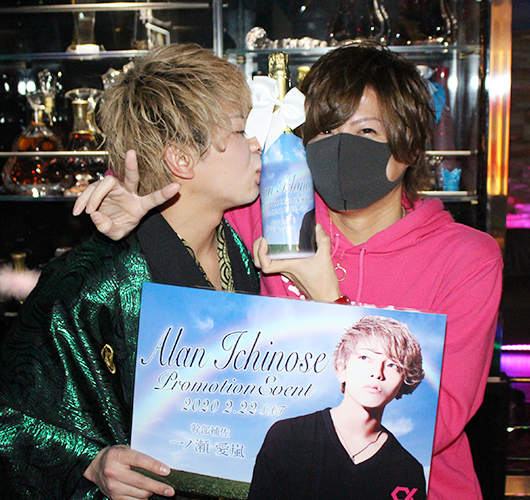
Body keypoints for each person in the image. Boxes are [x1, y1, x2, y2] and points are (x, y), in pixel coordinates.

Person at [77, 41, 503, 500]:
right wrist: (132, 198)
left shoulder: (466, 258)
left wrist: (328, 298)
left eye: (365, 130)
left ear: (411, 146)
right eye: (324, 131)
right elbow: (188, 183)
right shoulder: (273, 210)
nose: (339, 147)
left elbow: (433, 422)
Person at [0, 43, 262, 499]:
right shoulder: (93, 282)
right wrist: (89, 462)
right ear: (181, 158)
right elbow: (2, 417)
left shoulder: (243, 248)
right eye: (240, 131)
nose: (256, 144)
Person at [248, 315, 426, 500]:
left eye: (393, 365)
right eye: (365, 357)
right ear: (341, 368)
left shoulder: (409, 471)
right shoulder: (287, 436)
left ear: (404, 383)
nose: (377, 373)